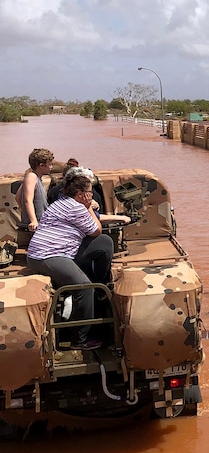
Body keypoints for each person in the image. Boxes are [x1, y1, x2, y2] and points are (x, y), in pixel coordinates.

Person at [26, 174, 115, 351]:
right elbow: (96, 229)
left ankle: (100, 285)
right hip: (47, 256)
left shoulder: (59, 202)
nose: (92, 195)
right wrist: (89, 207)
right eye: (90, 192)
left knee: (105, 243)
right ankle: (80, 339)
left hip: (50, 252)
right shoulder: (77, 208)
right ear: (82, 195)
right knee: (84, 286)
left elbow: (97, 237)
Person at [16, 148, 54, 234]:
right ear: (41, 165)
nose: (51, 167)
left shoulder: (34, 178)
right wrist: (33, 220)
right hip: (35, 226)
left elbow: (17, 198)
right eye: (50, 164)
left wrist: (25, 212)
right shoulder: (31, 177)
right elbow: (27, 200)